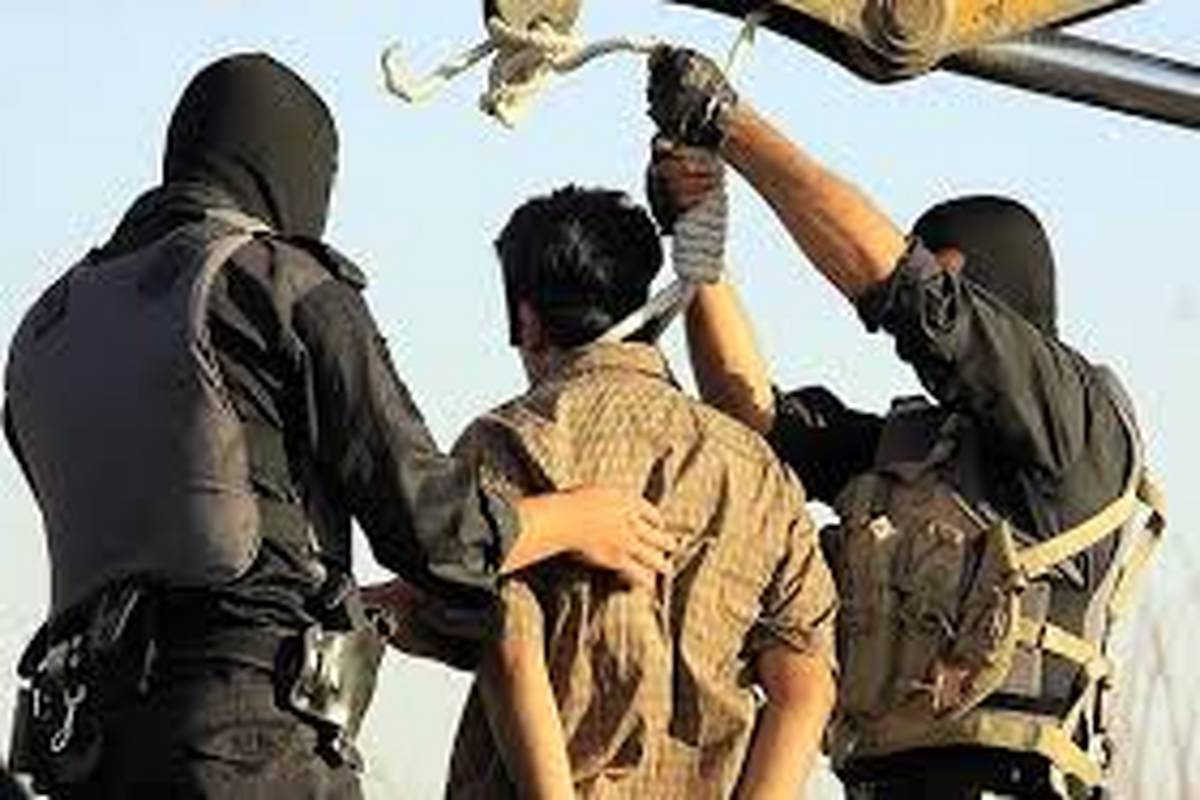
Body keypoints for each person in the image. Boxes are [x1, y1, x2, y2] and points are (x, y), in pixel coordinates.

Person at [3, 53, 673, 799]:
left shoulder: (44, 328)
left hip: (86, 749)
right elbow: (431, 527)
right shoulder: (273, 279)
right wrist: (578, 519)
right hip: (246, 746)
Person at [645, 46, 1163, 800]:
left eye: (950, 281)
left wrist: (732, 126)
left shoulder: (1076, 426)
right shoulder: (909, 454)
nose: (924, 323)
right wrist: (697, 242)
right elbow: (749, 420)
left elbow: (908, 294)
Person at [435, 185, 837, 799]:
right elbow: (804, 687)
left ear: (527, 320)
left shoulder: (508, 441)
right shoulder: (755, 467)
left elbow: (510, 648)